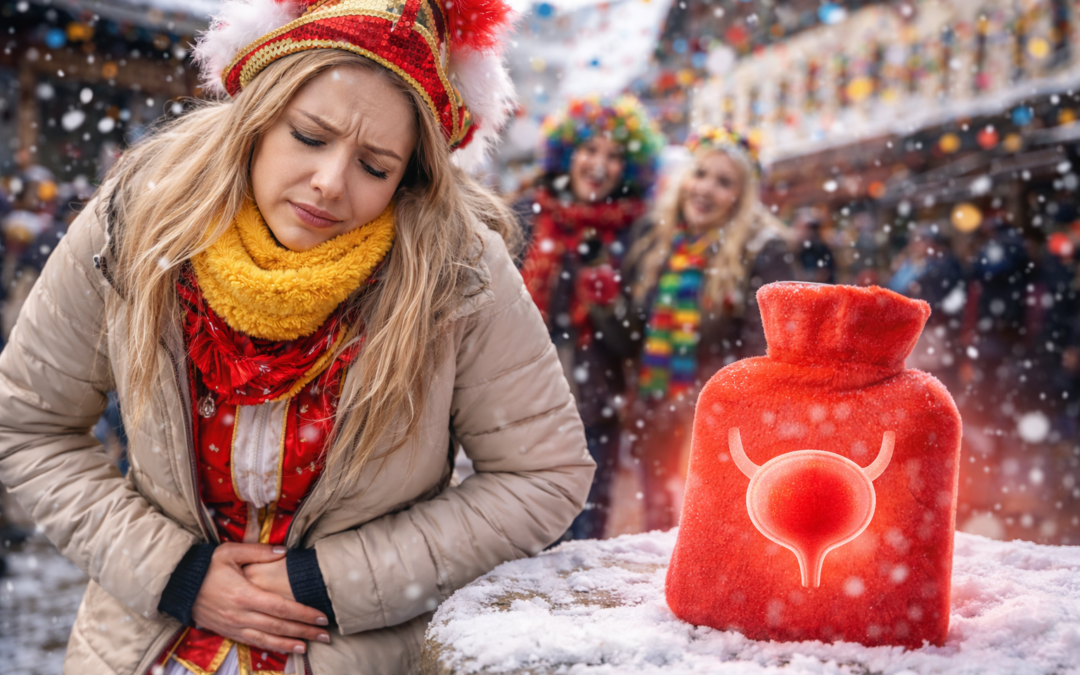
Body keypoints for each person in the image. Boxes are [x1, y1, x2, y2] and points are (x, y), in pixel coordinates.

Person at [0, 0, 594, 673]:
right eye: (310, 136)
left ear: (411, 176)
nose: (330, 183)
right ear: (259, 115)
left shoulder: (456, 271)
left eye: (375, 167)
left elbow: (543, 474)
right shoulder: (138, 220)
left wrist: (329, 582)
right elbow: (28, 424)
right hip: (138, 650)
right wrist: (178, 573)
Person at [607, 126, 793, 531]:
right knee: (655, 526)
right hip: (653, 412)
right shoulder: (657, 240)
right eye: (701, 174)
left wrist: (696, 400)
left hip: (716, 420)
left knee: (709, 527)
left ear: (741, 197)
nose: (705, 189)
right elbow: (633, 335)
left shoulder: (760, 252)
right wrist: (604, 306)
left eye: (724, 182)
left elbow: (759, 348)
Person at [518, 95, 664, 541]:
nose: (600, 164)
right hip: (522, 404)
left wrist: (605, 304)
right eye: (590, 149)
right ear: (568, 154)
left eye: (614, 155)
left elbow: (636, 340)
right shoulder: (527, 214)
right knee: (522, 535)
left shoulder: (636, 234)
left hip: (595, 408)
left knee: (583, 540)